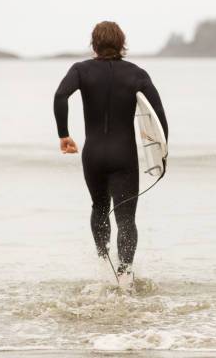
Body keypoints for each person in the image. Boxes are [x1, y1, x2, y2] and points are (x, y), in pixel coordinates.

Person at [53, 21, 168, 284]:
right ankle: (125, 274)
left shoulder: (80, 70)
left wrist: (64, 135)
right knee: (126, 217)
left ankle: (104, 264)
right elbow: (159, 115)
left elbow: (60, 96)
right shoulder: (136, 73)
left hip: (93, 155)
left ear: (94, 44)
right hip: (123, 156)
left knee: (99, 207)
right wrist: (163, 151)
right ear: (121, 43)